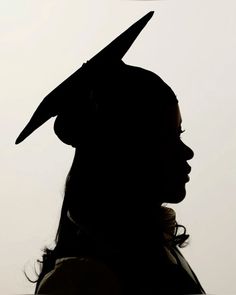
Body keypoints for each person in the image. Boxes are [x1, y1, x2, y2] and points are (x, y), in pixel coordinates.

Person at [16, 11, 206, 294]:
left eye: (180, 134)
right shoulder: (80, 281)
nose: (187, 152)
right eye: (166, 136)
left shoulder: (156, 252)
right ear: (124, 151)